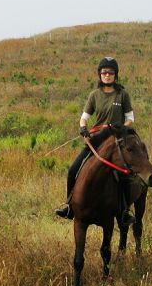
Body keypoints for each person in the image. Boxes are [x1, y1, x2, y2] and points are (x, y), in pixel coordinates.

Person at [55, 57, 136, 225]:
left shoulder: (122, 94)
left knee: (126, 176)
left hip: (117, 141)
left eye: (111, 72)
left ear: (116, 75)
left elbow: (130, 119)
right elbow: (84, 118)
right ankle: (69, 206)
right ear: (100, 74)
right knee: (73, 169)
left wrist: (121, 126)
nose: (107, 75)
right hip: (97, 140)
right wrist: (83, 128)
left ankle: (125, 211)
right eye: (104, 72)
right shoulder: (94, 95)